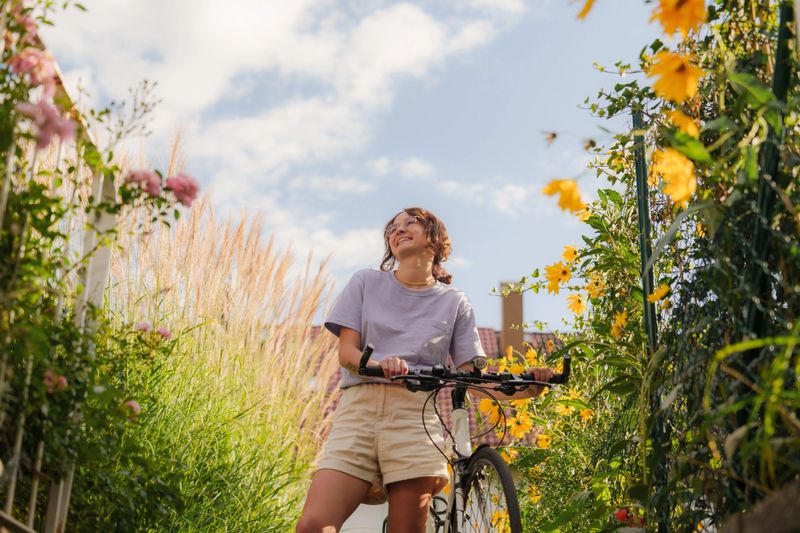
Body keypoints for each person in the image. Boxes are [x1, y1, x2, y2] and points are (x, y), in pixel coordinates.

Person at [296, 207, 554, 533]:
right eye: (393, 227)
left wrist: (526, 386)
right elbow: (347, 354)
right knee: (314, 525)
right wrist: (379, 365)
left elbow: (470, 379)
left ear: (435, 237)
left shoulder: (455, 302)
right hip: (359, 413)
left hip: (415, 419)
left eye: (410, 222)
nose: (398, 229)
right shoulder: (365, 282)